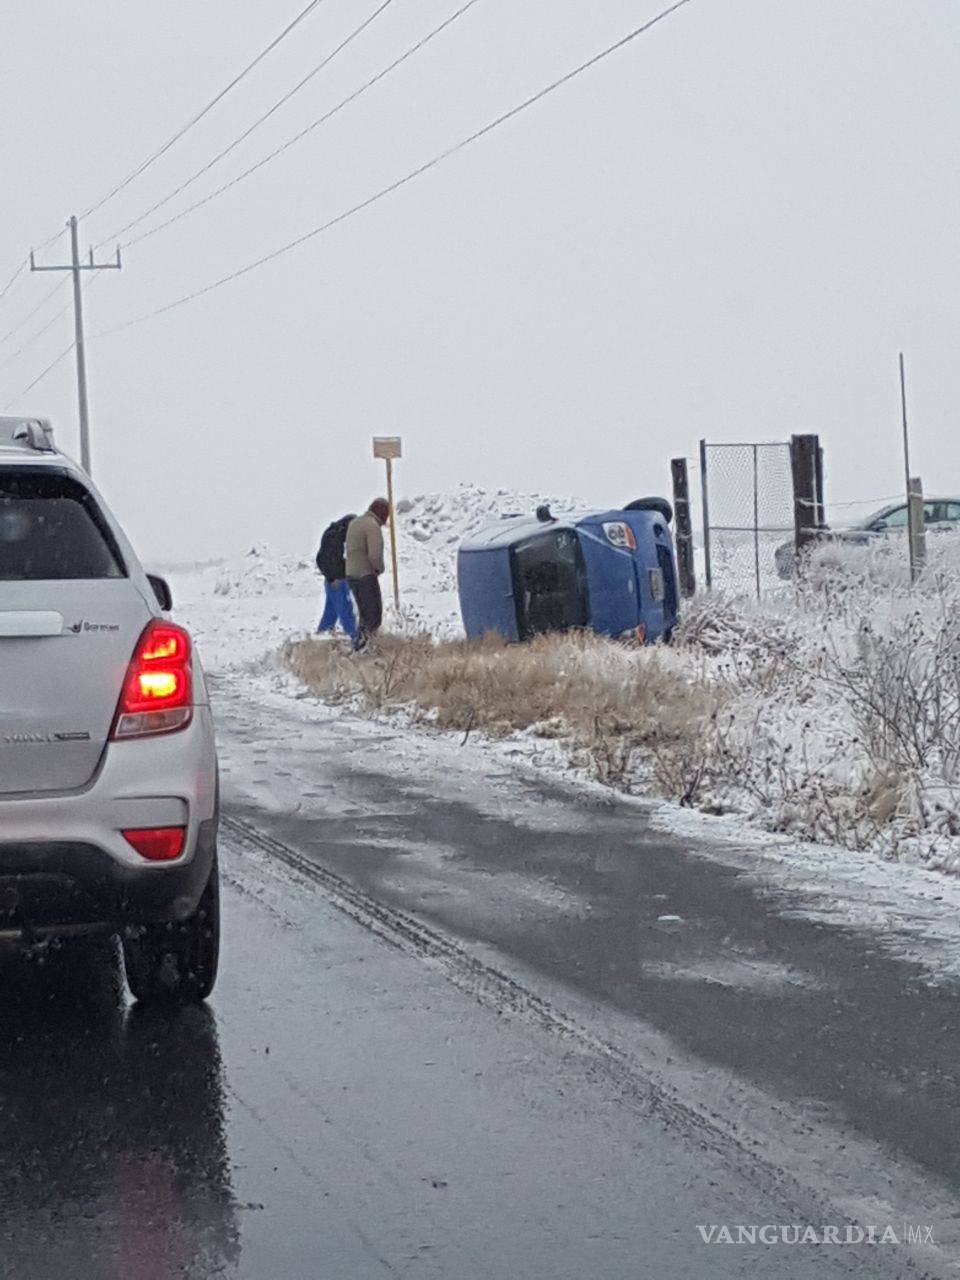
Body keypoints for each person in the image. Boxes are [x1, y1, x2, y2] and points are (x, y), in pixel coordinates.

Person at [345, 498, 389, 649]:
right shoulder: (372, 526)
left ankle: (359, 645)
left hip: (351, 573)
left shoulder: (355, 523)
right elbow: (374, 554)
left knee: (363, 614)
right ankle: (366, 648)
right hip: (365, 574)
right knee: (373, 616)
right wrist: (379, 569)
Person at [315, 513, 358, 644]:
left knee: (331, 611)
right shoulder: (337, 537)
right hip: (337, 579)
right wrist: (336, 577)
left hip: (331, 578)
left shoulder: (331, 533)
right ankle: (354, 639)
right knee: (345, 610)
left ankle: (321, 637)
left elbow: (321, 558)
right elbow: (331, 560)